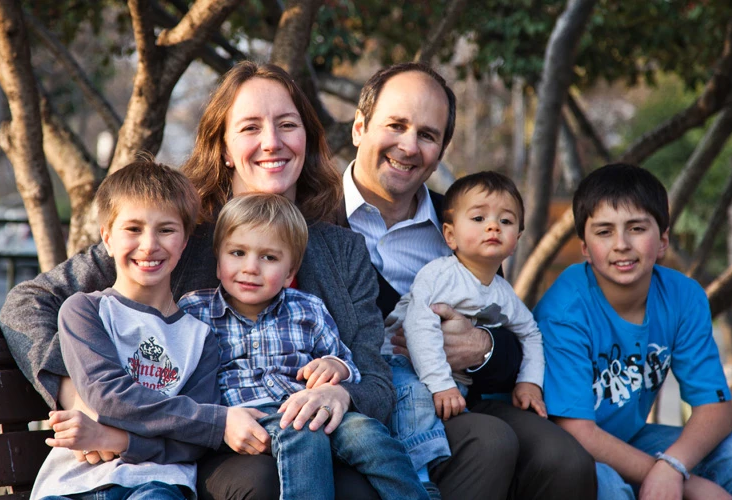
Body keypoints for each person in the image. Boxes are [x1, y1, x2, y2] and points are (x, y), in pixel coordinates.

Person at [0, 62, 393, 499]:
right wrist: (75, 390)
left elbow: (376, 378)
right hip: (210, 443)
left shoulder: (341, 250)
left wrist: (344, 395)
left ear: (307, 139)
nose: (272, 142)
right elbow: (29, 301)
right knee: (261, 482)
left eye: (287, 125)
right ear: (224, 148)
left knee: (359, 491)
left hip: (319, 436)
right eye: (250, 128)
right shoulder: (178, 234)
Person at [338, 61, 597, 499]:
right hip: (360, 400)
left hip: (455, 395)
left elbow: (508, 327)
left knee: (565, 460)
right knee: (488, 442)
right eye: (396, 125)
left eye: (427, 135)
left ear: (441, 150)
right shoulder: (311, 217)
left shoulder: (467, 219)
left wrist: (481, 346)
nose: (408, 146)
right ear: (360, 127)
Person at [533, 163, 732, 499]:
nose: (621, 244)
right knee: (608, 486)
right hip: (563, 452)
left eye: (636, 228)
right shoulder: (565, 309)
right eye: (604, 232)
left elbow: (715, 408)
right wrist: (687, 482)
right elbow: (578, 431)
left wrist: (673, 466)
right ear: (585, 248)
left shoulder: (683, 296)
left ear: (662, 241)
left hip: (629, 438)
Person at [179, 193, 428, 499]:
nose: (251, 267)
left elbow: (347, 363)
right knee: (301, 434)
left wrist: (335, 366)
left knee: (368, 434)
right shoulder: (195, 311)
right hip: (246, 416)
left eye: (269, 258)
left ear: (290, 274)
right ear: (219, 263)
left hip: (309, 406)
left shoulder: (307, 309)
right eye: (238, 253)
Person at [31, 161, 220, 500]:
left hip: (157, 484)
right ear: (107, 238)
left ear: (185, 241)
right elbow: (108, 396)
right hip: (74, 482)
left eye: (166, 230)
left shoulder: (200, 337)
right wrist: (210, 421)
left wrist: (117, 440)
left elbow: (193, 443)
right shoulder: (84, 311)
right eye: (133, 228)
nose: (149, 245)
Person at [382, 172, 547, 487]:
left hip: (448, 383)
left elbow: (530, 333)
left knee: (459, 423)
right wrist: (441, 384)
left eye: (506, 221)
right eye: (479, 218)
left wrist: (529, 382)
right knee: (417, 403)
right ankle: (414, 481)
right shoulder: (439, 275)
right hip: (399, 365)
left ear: (517, 239)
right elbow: (418, 324)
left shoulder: (504, 294)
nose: (493, 226)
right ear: (450, 235)